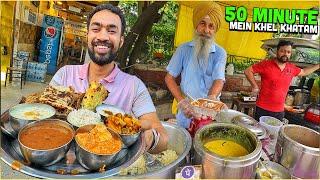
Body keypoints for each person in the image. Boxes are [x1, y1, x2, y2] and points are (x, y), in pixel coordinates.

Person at [50, 4, 168, 153]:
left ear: (121, 41)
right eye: (96, 29)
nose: (103, 37)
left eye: (112, 31)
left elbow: (163, 138)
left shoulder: (134, 86)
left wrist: (151, 139)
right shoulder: (64, 74)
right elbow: (44, 114)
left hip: (110, 166)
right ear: (87, 35)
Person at [165, 2, 227, 128]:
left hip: (209, 108)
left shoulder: (220, 53)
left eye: (211, 26)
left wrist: (211, 98)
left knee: (206, 142)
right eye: (202, 23)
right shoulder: (183, 49)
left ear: (215, 30)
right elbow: (169, 78)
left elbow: (219, 79)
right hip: (187, 108)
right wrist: (181, 101)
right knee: (184, 140)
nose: (206, 30)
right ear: (196, 25)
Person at [244, 40, 320, 121]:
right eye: (282, 51)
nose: (285, 54)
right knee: (260, 132)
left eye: (288, 52)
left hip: (279, 111)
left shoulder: (291, 68)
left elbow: (304, 71)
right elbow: (248, 71)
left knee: (275, 132)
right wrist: (254, 86)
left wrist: (318, 65)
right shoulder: (266, 64)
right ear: (277, 51)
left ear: (290, 54)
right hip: (263, 108)